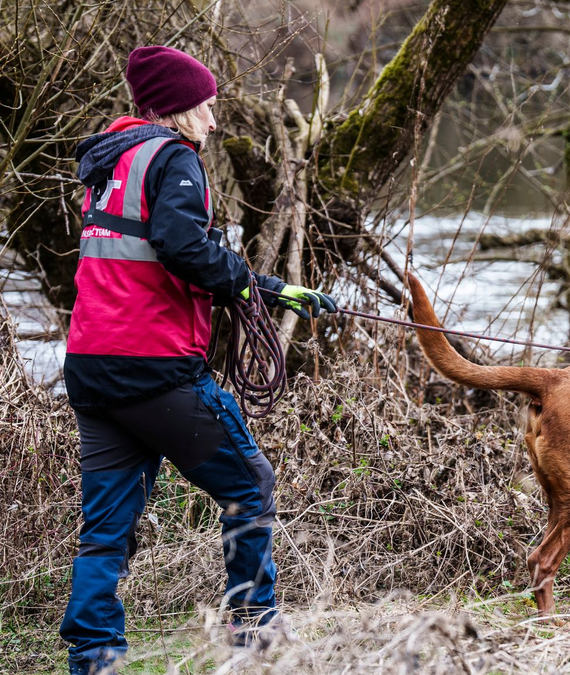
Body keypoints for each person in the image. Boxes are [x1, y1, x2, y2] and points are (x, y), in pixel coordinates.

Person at [59, 46, 334, 675]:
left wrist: (265, 286)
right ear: (179, 108)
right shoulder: (175, 157)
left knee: (105, 528)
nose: (213, 122)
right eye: (206, 107)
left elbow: (156, 253)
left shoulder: (111, 159)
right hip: (154, 367)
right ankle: (254, 635)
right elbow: (182, 246)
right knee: (250, 484)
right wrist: (252, 285)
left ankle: (92, 658)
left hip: (92, 366)